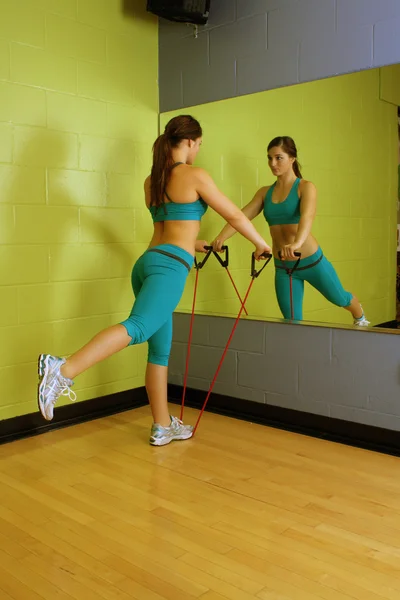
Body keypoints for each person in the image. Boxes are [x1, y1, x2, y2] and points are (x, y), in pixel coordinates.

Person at [37, 115, 272, 445]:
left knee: (159, 351)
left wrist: (197, 244)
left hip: (148, 264)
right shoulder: (194, 175)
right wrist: (260, 243)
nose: (198, 151)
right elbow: (233, 214)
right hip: (170, 269)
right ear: (190, 142)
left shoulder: (153, 181)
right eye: (199, 145)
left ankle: (162, 425)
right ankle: (62, 369)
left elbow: (172, 228)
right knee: (139, 327)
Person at [212, 136, 369, 326]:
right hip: (284, 267)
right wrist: (221, 237)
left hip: (311, 261)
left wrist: (296, 244)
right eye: (269, 158)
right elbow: (240, 217)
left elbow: (307, 218)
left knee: (340, 298)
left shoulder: (306, 187)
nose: (272, 163)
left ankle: (360, 316)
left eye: (279, 158)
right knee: (292, 321)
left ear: (292, 159)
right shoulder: (265, 193)